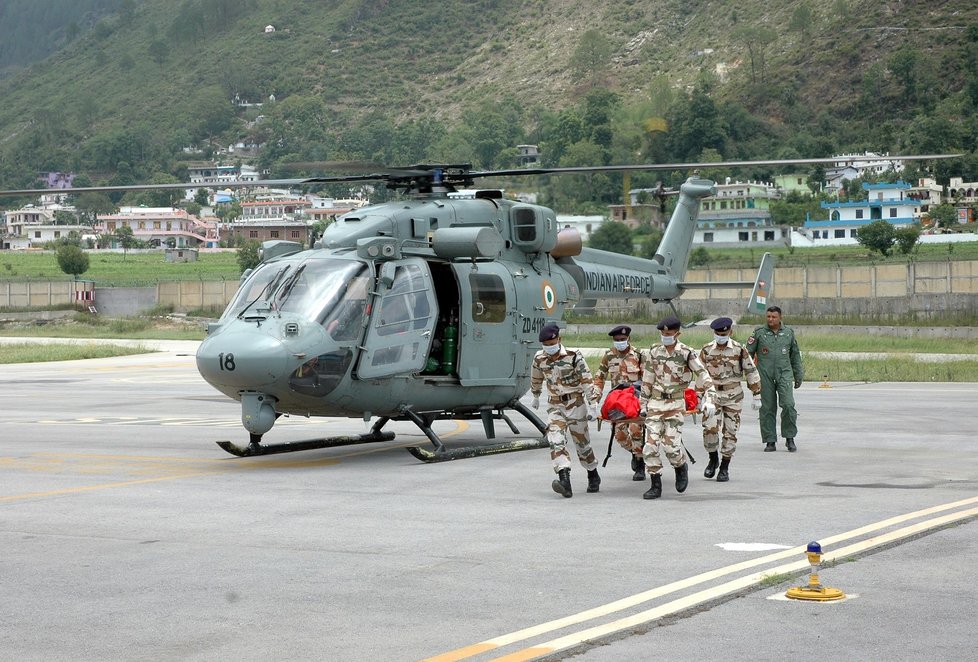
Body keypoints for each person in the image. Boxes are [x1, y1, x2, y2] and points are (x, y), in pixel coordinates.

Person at [638, 316, 716, 500]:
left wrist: (710, 398)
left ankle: (681, 466)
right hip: (655, 404)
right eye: (663, 333)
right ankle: (655, 484)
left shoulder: (686, 353)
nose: (665, 336)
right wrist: (642, 404)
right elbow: (648, 379)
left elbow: (703, 375)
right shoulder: (654, 352)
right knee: (649, 446)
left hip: (675, 405)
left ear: (677, 334)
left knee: (671, 447)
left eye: (669, 333)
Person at [529, 323, 600, 498]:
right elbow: (536, 377)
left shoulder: (574, 356)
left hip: (575, 404)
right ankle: (564, 480)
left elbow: (586, 380)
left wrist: (593, 404)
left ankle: (592, 473)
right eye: (545, 344)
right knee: (556, 440)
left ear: (559, 339)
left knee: (582, 445)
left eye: (552, 342)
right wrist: (536, 395)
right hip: (555, 406)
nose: (549, 346)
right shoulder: (539, 358)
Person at [698, 317, 762, 482]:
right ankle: (713, 459)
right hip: (712, 396)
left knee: (730, 431)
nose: (721, 336)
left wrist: (756, 394)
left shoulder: (739, 350)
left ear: (730, 332)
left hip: (733, 395)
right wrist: (698, 396)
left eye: (724, 333)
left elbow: (750, 371)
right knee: (709, 428)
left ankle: (725, 467)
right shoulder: (706, 350)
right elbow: (700, 374)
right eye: (718, 334)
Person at [746, 306, 804, 453]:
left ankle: (789, 438)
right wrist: (750, 377)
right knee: (767, 408)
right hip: (764, 375)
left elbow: (795, 356)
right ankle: (770, 440)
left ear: (780, 318)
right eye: (768, 316)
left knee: (788, 404)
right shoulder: (759, 333)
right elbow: (747, 356)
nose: (770, 319)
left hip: (784, 373)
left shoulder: (788, 333)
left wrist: (798, 375)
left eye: (773, 317)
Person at [592, 324, 646, 481]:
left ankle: (639, 462)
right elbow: (599, 377)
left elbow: (647, 379)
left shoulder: (638, 355)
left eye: (622, 339)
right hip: (617, 402)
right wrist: (595, 398)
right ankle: (636, 452)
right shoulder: (608, 356)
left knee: (636, 431)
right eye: (616, 340)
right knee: (620, 435)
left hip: (634, 400)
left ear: (628, 338)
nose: (619, 342)